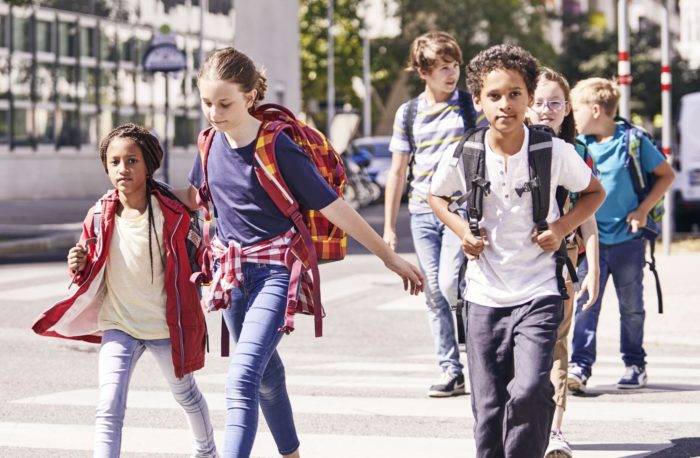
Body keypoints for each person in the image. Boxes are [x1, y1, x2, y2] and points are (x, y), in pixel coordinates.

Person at [179, 47, 424, 458]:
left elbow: (336, 207)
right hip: (231, 275)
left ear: (250, 96)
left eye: (224, 103)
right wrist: (135, 188)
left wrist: (389, 257)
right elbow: (193, 197)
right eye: (206, 103)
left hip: (276, 273)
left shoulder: (277, 147)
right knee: (266, 376)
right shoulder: (208, 143)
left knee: (241, 378)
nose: (214, 113)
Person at [428, 44, 605, 457]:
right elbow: (436, 197)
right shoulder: (467, 153)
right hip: (483, 295)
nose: (504, 104)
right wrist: (462, 232)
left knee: (528, 391)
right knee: (488, 407)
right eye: (494, 95)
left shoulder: (551, 151)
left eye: (514, 94)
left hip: (539, 290)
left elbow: (594, 192)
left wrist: (561, 227)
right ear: (477, 100)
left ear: (528, 98)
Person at [32, 124, 218, 458]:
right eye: (115, 162)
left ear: (148, 165)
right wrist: (76, 262)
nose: (123, 169)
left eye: (132, 160)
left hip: (166, 326)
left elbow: (198, 210)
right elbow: (87, 263)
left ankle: (207, 453)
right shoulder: (99, 214)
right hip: (119, 324)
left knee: (186, 395)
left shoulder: (171, 210)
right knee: (109, 405)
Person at [384, 31, 481, 397]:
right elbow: (397, 171)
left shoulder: (470, 107)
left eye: (455, 65)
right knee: (434, 293)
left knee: (449, 285)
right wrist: (390, 228)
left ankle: (480, 353)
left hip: (460, 211)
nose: (451, 73)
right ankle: (450, 369)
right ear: (423, 71)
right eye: (443, 67)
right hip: (423, 212)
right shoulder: (408, 113)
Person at [567, 78, 675, 394]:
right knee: (587, 303)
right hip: (592, 242)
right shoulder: (579, 145)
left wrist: (642, 211)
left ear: (597, 110)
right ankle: (580, 366)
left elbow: (666, 175)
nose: (573, 116)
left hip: (628, 241)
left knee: (631, 307)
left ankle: (634, 363)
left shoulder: (634, 142)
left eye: (577, 109)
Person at [527, 67, 601, 458]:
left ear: (567, 107)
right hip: (516, 258)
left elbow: (589, 211)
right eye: (538, 102)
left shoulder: (578, 152)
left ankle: (554, 432)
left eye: (554, 102)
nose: (545, 110)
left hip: (564, 257)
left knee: (557, 341)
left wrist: (594, 268)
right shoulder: (511, 146)